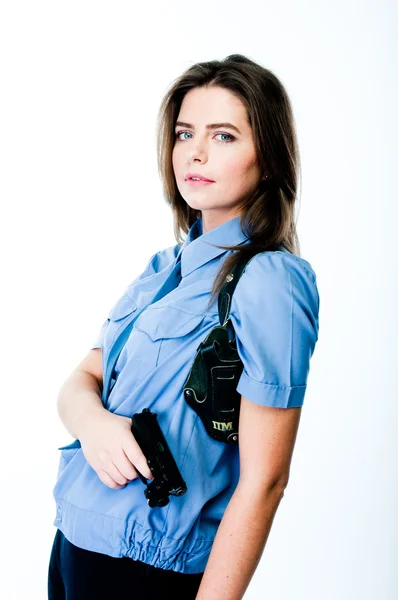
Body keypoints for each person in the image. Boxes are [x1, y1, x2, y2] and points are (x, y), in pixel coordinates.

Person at [48, 53, 320, 600]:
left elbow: (265, 481)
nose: (194, 151)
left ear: (267, 158)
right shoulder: (162, 269)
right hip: (73, 543)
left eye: (223, 136)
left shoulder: (269, 279)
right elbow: (81, 379)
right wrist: (94, 424)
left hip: (148, 572)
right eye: (184, 133)